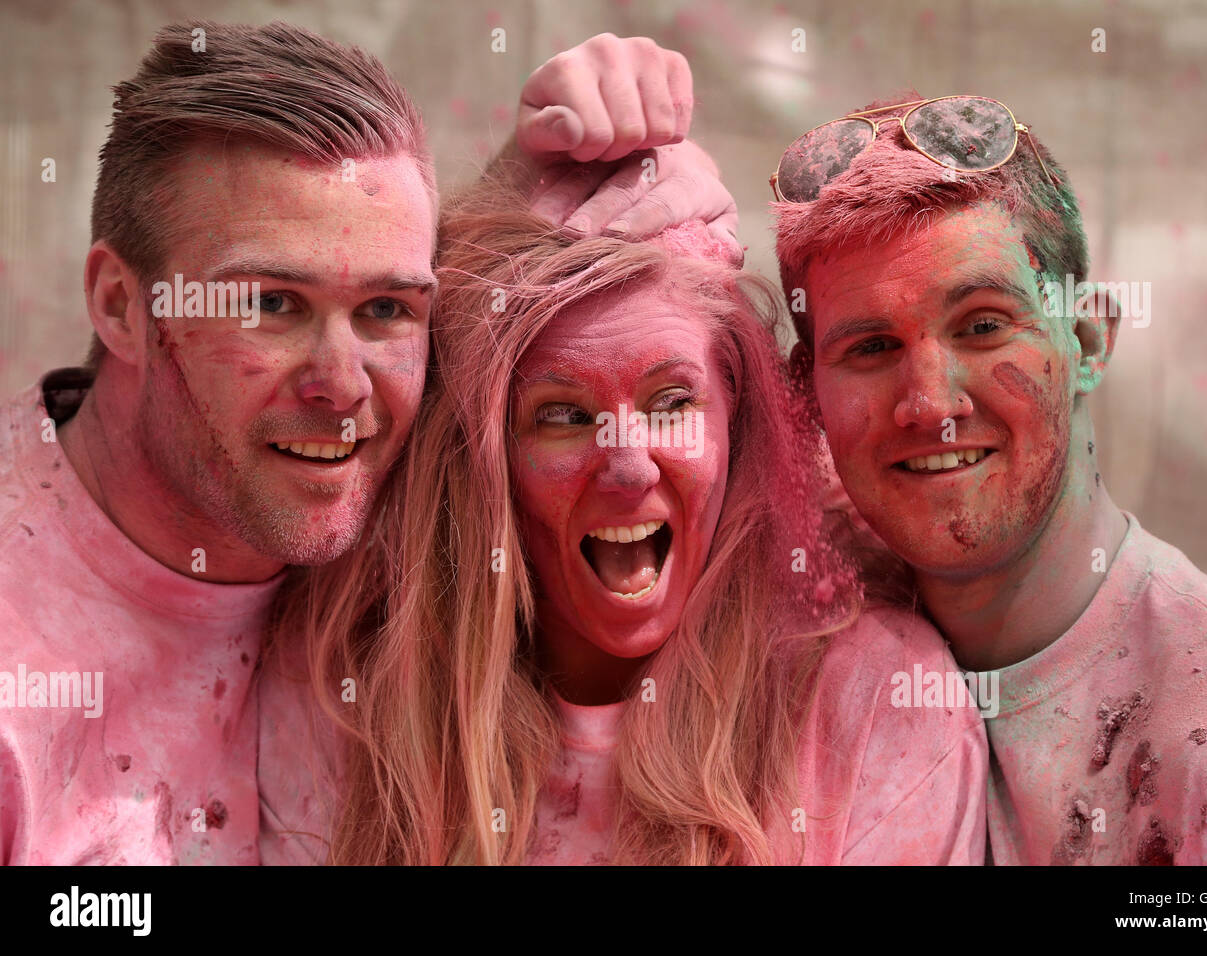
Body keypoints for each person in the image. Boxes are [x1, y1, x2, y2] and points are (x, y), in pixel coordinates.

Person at [0, 20, 727, 865]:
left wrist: (593, 160)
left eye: (385, 309)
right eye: (271, 304)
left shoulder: (384, 481)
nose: (343, 388)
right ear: (122, 305)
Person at [262, 157, 989, 866]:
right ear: (485, 463)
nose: (628, 464)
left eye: (672, 404)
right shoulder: (341, 700)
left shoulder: (878, 703)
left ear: (738, 421)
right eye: (563, 416)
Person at [771, 92, 1207, 864]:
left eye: (983, 326)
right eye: (872, 347)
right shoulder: (789, 673)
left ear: (1086, 339)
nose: (931, 405)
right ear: (804, 395)